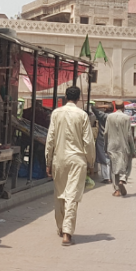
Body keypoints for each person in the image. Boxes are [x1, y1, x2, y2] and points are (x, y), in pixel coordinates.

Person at [45, 86, 95, 245]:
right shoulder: (82, 115)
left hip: (59, 160)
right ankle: (67, 232)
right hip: (77, 160)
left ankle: (61, 227)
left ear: (65, 97)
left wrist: (48, 161)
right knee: (72, 196)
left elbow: (50, 139)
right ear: (79, 98)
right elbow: (88, 142)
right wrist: (91, 161)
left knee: (60, 194)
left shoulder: (56, 113)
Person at [101, 102, 133, 197]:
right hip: (124, 145)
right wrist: (133, 149)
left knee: (114, 167)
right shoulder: (126, 118)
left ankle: (117, 190)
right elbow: (129, 135)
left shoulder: (110, 117)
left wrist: (105, 146)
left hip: (112, 145)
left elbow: (105, 132)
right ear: (123, 107)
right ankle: (123, 178)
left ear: (115, 107)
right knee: (127, 164)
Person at [92, 105, 111, 183]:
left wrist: (101, 106)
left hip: (102, 138)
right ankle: (110, 176)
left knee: (103, 157)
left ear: (105, 109)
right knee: (109, 157)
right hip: (111, 138)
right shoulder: (114, 116)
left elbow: (93, 108)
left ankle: (106, 177)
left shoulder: (103, 115)